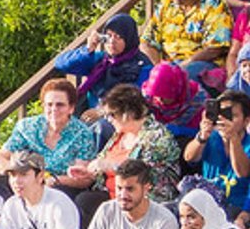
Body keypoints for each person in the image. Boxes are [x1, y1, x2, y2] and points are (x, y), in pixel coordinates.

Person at [72, 83, 183, 214]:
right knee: (77, 199)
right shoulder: (120, 134)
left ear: (128, 113)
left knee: (86, 202)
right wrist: (88, 171)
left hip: (143, 199)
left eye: (111, 114)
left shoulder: (157, 137)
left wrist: (109, 165)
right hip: (111, 194)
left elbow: (143, 173)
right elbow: (102, 164)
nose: (108, 119)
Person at [142, 0, 232, 88]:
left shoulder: (213, 3)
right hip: (167, 65)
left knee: (183, 77)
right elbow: (147, 42)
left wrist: (182, 66)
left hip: (201, 64)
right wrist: (159, 68)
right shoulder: (166, 5)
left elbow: (216, 48)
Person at [0, 151, 82, 229]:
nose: (16, 181)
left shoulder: (58, 202)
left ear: (40, 176)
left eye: (23, 174)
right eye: (13, 175)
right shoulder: (11, 205)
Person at [3, 77, 98, 186]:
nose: (54, 109)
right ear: (43, 106)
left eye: (60, 105)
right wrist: (15, 171)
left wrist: (53, 180)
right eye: (49, 104)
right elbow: (0, 157)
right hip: (24, 182)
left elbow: (83, 180)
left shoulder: (82, 134)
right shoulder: (27, 127)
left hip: (61, 186)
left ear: (71, 108)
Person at [53, 12, 150, 115]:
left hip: (119, 119)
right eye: (108, 36)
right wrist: (88, 49)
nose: (112, 41)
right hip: (87, 115)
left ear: (129, 39)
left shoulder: (142, 66)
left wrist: (102, 112)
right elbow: (61, 64)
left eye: (118, 37)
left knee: (100, 128)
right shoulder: (101, 61)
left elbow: (140, 101)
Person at [182, 89, 250, 221]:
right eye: (222, 114)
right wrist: (202, 136)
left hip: (235, 207)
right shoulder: (211, 138)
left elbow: (242, 172)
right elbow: (189, 158)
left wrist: (233, 139)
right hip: (206, 203)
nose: (224, 120)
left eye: (232, 115)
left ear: (246, 121)